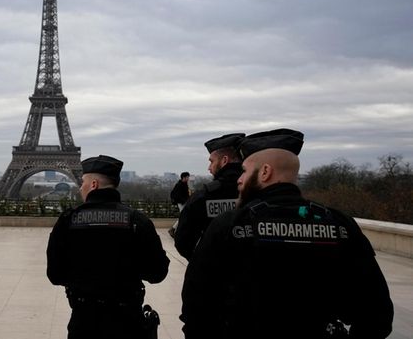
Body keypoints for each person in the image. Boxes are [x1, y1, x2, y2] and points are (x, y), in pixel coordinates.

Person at [180, 129, 394, 338]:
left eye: (244, 171)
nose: (239, 179)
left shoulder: (230, 225)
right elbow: (377, 314)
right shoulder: (339, 224)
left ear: (265, 172)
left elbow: (196, 307)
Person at [47, 155, 170, 339]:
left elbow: (55, 275)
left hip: (84, 320)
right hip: (128, 321)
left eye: (83, 183)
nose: (81, 187)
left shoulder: (68, 221)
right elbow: (157, 273)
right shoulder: (137, 221)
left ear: (94, 184)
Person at [174, 133, 245, 259]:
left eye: (212, 161)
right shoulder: (258, 193)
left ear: (224, 160)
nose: (209, 167)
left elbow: (183, 241)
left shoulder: (204, 196)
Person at [168, 171, 190, 238]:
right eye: (187, 177)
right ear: (184, 177)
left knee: (184, 216)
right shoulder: (179, 185)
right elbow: (176, 195)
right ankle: (173, 229)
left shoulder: (184, 184)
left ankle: (174, 229)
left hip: (184, 202)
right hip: (181, 203)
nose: (188, 178)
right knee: (183, 217)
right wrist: (184, 200)